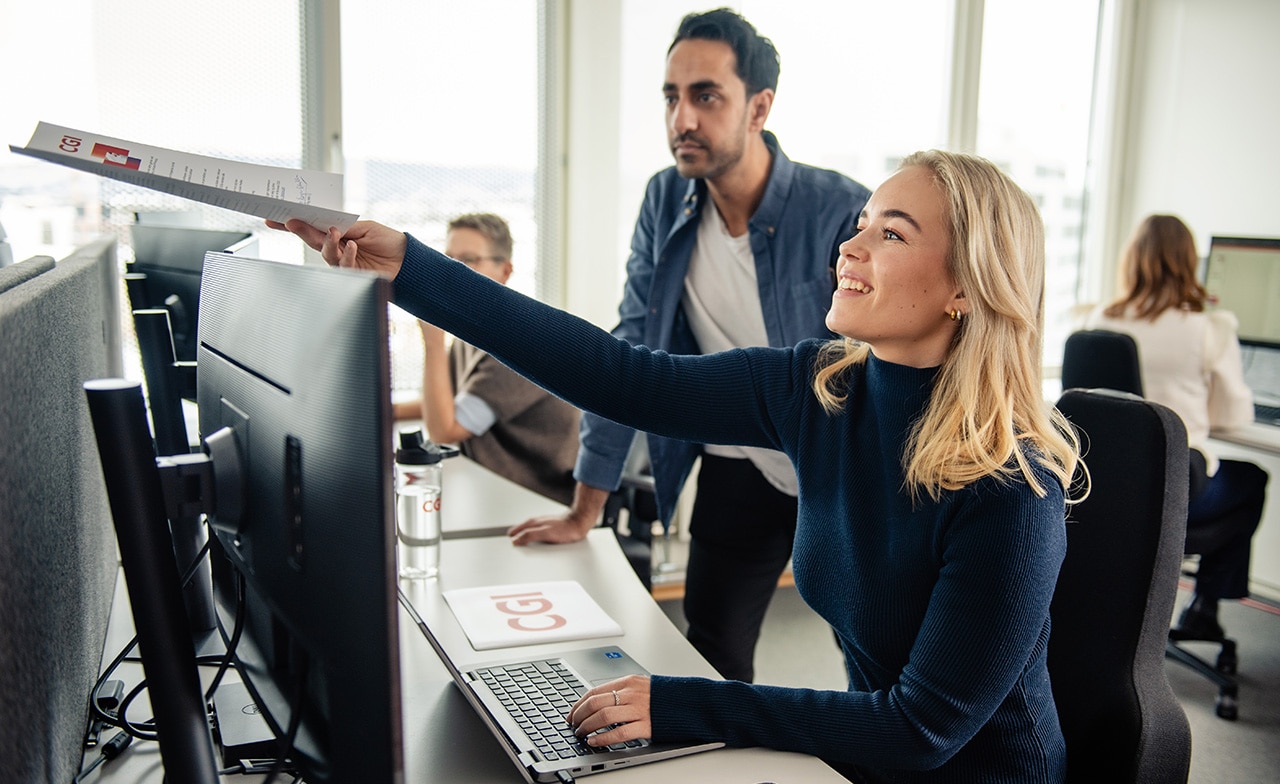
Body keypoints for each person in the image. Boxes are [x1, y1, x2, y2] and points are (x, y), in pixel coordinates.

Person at [270, 148, 1083, 782]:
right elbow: (623, 379)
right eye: (862, 222)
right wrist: (412, 268)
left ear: (967, 290)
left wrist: (686, 705)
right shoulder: (822, 388)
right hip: (863, 762)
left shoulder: (1014, 488)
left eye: (891, 233)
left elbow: (923, 728)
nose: (851, 245)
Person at [507, 7, 872, 684]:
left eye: (706, 96)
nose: (683, 119)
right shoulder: (664, 200)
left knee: (874, 663)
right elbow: (632, 348)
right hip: (739, 465)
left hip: (845, 473)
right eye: (672, 97)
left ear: (759, 106)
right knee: (711, 649)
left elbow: (885, 364)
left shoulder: (841, 211)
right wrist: (588, 508)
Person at [1083, 213, 1268, 640]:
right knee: (1252, 479)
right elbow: (1232, 417)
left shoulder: (1098, 321)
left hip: (1105, 493)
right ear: (1189, 262)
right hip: (1176, 495)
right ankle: (1205, 604)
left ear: (1132, 260)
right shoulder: (1210, 328)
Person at [391, 213, 580, 505]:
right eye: (447, 260)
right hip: (489, 486)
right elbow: (452, 402)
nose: (450, 272)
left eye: (467, 261)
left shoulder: (519, 339)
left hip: (535, 500)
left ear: (505, 271)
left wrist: (432, 338)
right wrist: (383, 411)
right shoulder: (472, 330)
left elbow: (445, 430)